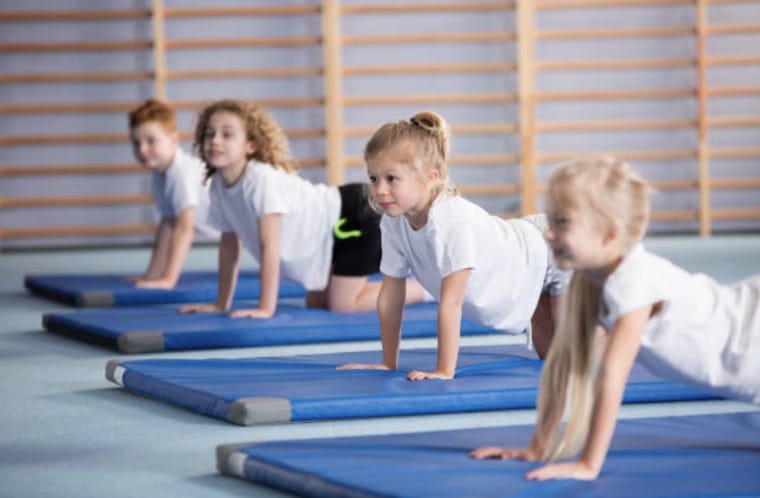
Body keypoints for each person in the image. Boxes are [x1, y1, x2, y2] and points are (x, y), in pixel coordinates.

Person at [470, 155, 760, 480]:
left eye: (562, 222)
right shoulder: (589, 281)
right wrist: (538, 448)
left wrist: (588, 464)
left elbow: (612, 376)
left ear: (609, 234)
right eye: (550, 220)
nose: (548, 234)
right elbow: (567, 365)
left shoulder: (633, 281)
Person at [339, 111, 569, 380]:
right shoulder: (393, 221)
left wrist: (443, 371)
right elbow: (391, 295)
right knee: (551, 362)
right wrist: (388, 362)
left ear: (430, 177)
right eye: (373, 178)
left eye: (392, 178)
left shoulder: (451, 222)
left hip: (552, 249)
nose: (379, 190)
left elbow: (451, 303)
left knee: (575, 363)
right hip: (527, 270)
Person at [180, 99, 425, 318]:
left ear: (251, 145)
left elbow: (270, 246)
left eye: (227, 135)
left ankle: (424, 289)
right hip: (328, 234)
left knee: (343, 305)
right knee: (317, 303)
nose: (214, 141)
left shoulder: (260, 179)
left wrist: (266, 307)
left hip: (355, 217)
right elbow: (229, 245)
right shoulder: (218, 186)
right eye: (209, 134)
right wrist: (221, 304)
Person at [128, 99, 216, 289]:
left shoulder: (181, 173)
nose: (142, 149)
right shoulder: (160, 173)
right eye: (136, 142)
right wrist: (151, 276)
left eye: (151, 141)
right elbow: (168, 224)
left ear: (173, 140)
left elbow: (185, 228)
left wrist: (168, 279)